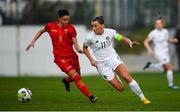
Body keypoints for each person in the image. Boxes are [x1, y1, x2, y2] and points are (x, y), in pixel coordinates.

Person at [26, 9, 97, 103]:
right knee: (76, 77)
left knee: (78, 76)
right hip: (61, 59)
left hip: (73, 56)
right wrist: (33, 41)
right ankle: (91, 97)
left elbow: (75, 41)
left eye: (68, 19)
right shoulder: (50, 26)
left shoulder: (71, 28)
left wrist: (77, 48)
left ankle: (66, 81)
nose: (67, 22)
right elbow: (41, 31)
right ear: (59, 19)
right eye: (64, 19)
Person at [83, 16, 151, 104]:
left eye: (95, 26)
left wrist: (130, 43)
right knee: (120, 88)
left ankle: (143, 98)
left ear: (102, 25)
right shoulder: (90, 37)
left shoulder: (110, 32)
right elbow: (84, 48)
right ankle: (114, 74)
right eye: (92, 26)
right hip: (101, 64)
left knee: (127, 77)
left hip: (113, 58)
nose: (93, 28)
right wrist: (91, 60)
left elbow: (122, 38)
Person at [143, 17, 179, 89]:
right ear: (155, 25)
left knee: (164, 69)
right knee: (169, 67)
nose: (158, 25)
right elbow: (145, 42)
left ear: (163, 24)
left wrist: (173, 40)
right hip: (158, 53)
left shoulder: (165, 31)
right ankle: (171, 85)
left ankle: (150, 65)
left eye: (159, 23)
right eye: (157, 23)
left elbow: (167, 39)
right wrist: (149, 49)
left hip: (165, 52)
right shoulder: (153, 33)